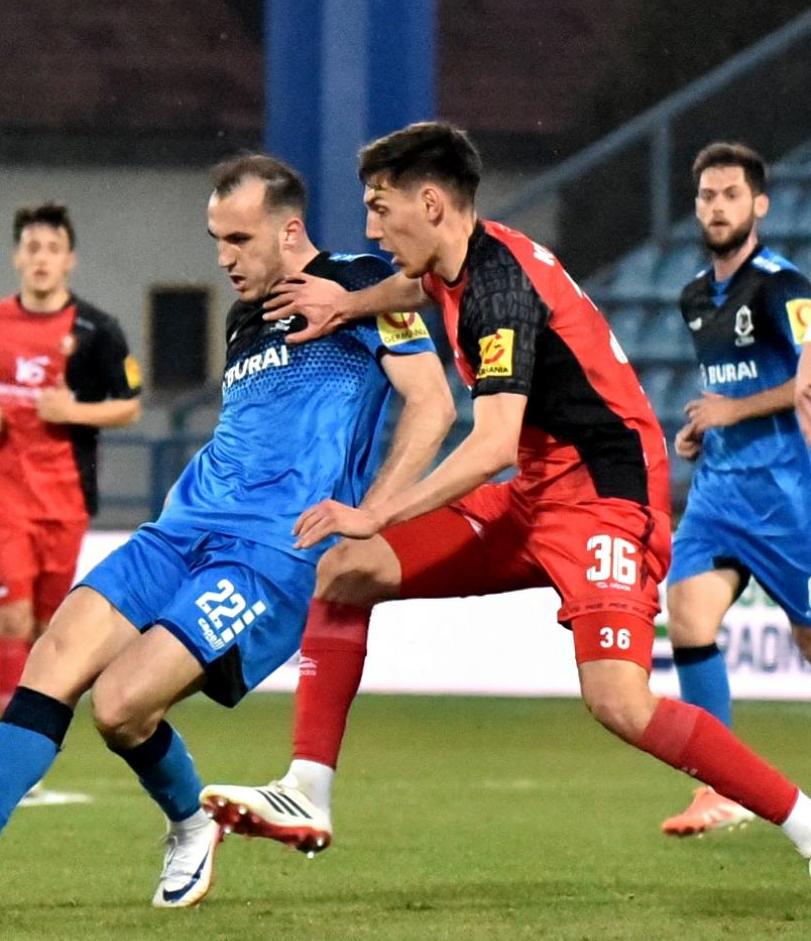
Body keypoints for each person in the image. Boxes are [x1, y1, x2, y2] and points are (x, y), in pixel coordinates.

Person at [0, 154, 453, 915]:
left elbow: (431, 404)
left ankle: (192, 822)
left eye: (239, 238)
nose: (224, 257)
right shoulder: (245, 318)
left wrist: (375, 513)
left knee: (121, 707)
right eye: (215, 239)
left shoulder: (361, 283)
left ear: (289, 230)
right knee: (56, 650)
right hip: (180, 529)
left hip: (271, 553)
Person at [200, 121, 811, 876]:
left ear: (430, 204)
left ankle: (803, 821)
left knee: (620, 702)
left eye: (380, 209)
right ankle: (307, 792)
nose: (371, 230)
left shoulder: (499, 288)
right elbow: (414, 287)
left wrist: (379, 510)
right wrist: (350, 304)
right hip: (533, 491)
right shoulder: (459, 260)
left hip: (605, 498)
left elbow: (490, 443)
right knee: (347, 570)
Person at [659, 142, 811, 836]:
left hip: (787, 496)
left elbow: (806, 379)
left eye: (731, 195)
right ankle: (719, 789)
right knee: (688, 618)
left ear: (760, 205)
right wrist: (702, 429)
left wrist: (735, 412)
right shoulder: (694, 295)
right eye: (707, 196)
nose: (717, 208)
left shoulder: (784, 286)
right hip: (719, 494)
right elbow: (725, 388)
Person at [0, 202, 142, 713]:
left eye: (53, 248)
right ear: (17, 257)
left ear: (70, 260)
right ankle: (10, 734)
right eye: (33, 248)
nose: (42, 258)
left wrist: (73, 411)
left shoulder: (97, 330)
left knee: (46, 627)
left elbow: (130, 406)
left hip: (65, 497)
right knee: (13, 620)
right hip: (2, 493)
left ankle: (37, 732)